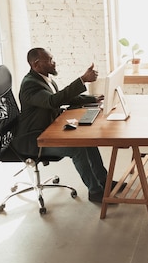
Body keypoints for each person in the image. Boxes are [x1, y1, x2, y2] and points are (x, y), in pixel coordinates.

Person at [14, 47, 122, 203]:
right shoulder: (30, 85)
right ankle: (95, 191)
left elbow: (62, 98)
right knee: (77, 148)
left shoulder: (44, 78)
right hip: (35, 139)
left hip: (49, 130)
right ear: (36, 64)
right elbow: (53, 101)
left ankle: (104, 181)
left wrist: (92, 99)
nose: (54, 62)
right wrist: (82, 80)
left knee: (87, 140)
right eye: (50, 60)